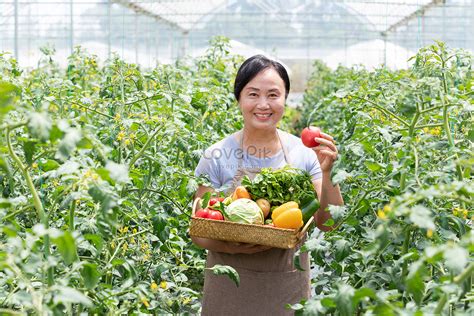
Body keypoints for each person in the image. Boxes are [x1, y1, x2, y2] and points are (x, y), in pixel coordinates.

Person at [191, 55, 343, 315]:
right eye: (253, 94)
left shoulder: (304, 153)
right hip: (229, 286)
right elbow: (198, 231)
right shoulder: (216, 155)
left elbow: (328, 222)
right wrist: (233, 245)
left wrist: (327, 173)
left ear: (286, 99)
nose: (263, 104)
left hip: (286, 287)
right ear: (239, 98)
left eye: (273, 95)